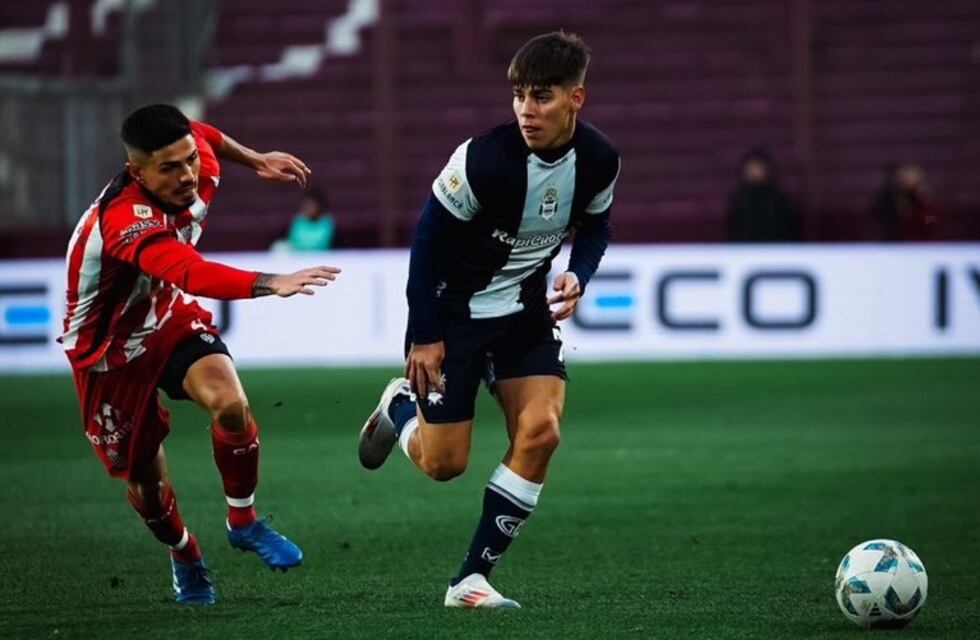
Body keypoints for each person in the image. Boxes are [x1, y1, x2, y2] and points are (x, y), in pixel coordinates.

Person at [357, 31, 620, 609]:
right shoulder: (482, 159)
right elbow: (425, 245)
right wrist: (426, 336)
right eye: (519, 96)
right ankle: (399, 407)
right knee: (443, 464)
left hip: (525, 314)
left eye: (542, 97)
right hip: (454, 317)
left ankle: (470, 580)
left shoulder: (600, 159)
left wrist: (579, 273)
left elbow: (597, 224)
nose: (527, 109)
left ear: (575, 98)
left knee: (541, 431)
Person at [61, 104, 341, 605]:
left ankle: (243, 521)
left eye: (189, 160)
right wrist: (271, 282)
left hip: (164, 316)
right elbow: (190, 272)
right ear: (137, 172)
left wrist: (256, 159)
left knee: (230, 404)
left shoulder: (197, 159)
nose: (187, 175)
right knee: (147, 483)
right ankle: (185, 553)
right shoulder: (124, 219)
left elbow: (204, 134)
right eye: (169, 168)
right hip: (108, 353)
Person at [726, 149, 802, 242]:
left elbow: (788, 230)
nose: (755, 172)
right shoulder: (739, 200)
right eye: (752, 167)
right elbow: (735, 231)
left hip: (776, 247)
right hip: (747, 248)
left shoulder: (779, 199)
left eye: (758, 167)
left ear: (767, 169)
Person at [870, 163, 941, 241]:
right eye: (905, 179)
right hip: (898, 242)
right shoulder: (891, 198)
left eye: (911, 178)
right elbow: (881, 220)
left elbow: (932, 221)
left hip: (924, 242)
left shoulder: (926, 201)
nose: (908, 181)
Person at [278, 187, 335, 252]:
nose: (308, 207)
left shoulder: (327, 221)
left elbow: (323, 243)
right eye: (306, 205)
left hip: (321, 256)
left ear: (319, 205)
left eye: (311, 205)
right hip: (298, 256)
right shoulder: (298, 220)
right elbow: (293, 241)